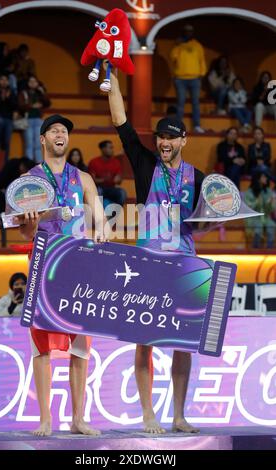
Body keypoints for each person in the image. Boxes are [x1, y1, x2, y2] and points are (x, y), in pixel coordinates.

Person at [107, 67, 204, 434]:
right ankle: (149, 414)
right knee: (144, 342)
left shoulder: (199, 176)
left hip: (183, 265)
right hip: (147, 265)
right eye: (161, 136)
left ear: (183, 141)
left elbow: (207, 218)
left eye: (171, 138)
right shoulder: (145, 162)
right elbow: (121, 121)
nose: (164, 142)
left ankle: (178, 415)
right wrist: (112, 79)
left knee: (183, 344)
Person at [15, 114, 108, 437]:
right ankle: (45, 419)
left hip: (79, 266)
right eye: (54, 130)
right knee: (42, 348)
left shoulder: (83, 179)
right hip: (43, 263)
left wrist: (102, 231)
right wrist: (33, 221)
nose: (60, 134)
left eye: (64, 131)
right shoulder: (29, 180)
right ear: (42, 140)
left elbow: (101, 220)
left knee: (80, 346)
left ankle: (78, 418)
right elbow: (26, 231)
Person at [170, 24, 207, 134]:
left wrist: (202, 73)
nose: (188, 33)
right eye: (186, 31)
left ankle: (197, 125)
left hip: (195, 78)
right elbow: (173, 57)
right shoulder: (178, 45)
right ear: (183, 32)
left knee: (195, 103)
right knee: (180, 103)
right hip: (180, 78)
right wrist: (177, 45)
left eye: (190, 31)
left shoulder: (197, 45)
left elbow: (202, 61)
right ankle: (178, 127)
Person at [18, 75, 51, 163]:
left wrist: (42, 92)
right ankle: (28, 165)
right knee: (29, 144)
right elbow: (20, 106)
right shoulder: (24, 93)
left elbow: (47, 103)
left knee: (38, 144)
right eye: (31, 81)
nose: (33, 83)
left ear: (37, 83)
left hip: (38, 120)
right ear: (28, 83)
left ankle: (38, 165)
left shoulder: (39, 93)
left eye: (34, 82)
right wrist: (32, 106)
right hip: (27, 120)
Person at [88, 140, 127, 209]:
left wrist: (118, 179)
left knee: (122, 193)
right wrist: (107, 180)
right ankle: (99, 215)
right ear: (103, 149)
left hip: (111, 188)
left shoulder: (116, 162)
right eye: (110, 148)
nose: (112, 150)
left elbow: (118, 180)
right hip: (98, 188)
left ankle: (114, 214)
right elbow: (92, 180)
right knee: (98, 192)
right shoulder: (94, 162)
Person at [0, 73, 18, 159]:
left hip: (8, 117)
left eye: (6, 80)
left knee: (7, 140)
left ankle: (5, 160)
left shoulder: (11, 92)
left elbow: (15, 106)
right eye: (2, 80)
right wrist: (1, 99)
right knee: (0, 122)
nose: (4, 82)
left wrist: (8, 98)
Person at [244, 171, 276, 248]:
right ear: (258, 179)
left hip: (266, 217)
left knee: (272, 225)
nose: (266, 179)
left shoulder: (268, 191)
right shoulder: (249, 192)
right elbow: (248, 209)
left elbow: (271, 209)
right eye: (263, 177)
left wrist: (270, 203)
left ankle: (270, 249)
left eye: (266, 177)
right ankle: (256, 249)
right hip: (253, 218)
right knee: (259, 227)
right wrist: (257, 202)